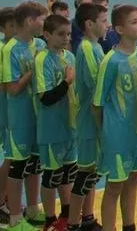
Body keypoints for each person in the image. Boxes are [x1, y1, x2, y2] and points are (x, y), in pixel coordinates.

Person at [93, 5, 137, 231]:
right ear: (119, 29)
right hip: (117, 137)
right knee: (114, 187)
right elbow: (97, 104)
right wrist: (106, 134)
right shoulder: (111, 61)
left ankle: (129, 226)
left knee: (133, 182)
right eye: (134, 22)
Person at [2, 1, 48, 230]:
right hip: (19, 118)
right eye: (42, 19)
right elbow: (12, 88)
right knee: (17, 166)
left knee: (35, 164)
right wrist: (34, 70)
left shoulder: (40, 44)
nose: (45, 23)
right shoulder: (10, 49)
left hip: (38, 116)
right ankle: (14, 217)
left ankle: (32, 209)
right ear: (30, 21)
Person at [68, 3, 109, 231]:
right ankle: (73, 223)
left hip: (95, 121)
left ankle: (87, 218)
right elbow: (96, 84)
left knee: (92, 173)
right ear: (90, 24)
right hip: (88, 121)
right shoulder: (85, 48)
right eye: (104, 20)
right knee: (84, 174)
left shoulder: (96, 47)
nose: (107, 25)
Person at [34, 15, 77, 231]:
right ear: (47, 34)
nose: (66, 38)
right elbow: (46, 97)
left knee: (69, 174)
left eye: (68, 34)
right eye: (61, 34)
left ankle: (66, 216)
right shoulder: (42, 59)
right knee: (52, 176)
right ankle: (49, 220)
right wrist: (67, 82)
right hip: (51, 128)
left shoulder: (70, 57)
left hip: (70, 128)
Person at [0, 8, 17, 227]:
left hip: (13, 112)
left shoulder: (16, 48)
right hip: (5, 112)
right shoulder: (4, 50)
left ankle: (5, 200)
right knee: (10, 158)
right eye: (12, 25)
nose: (16, 28)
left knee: (13, 159)